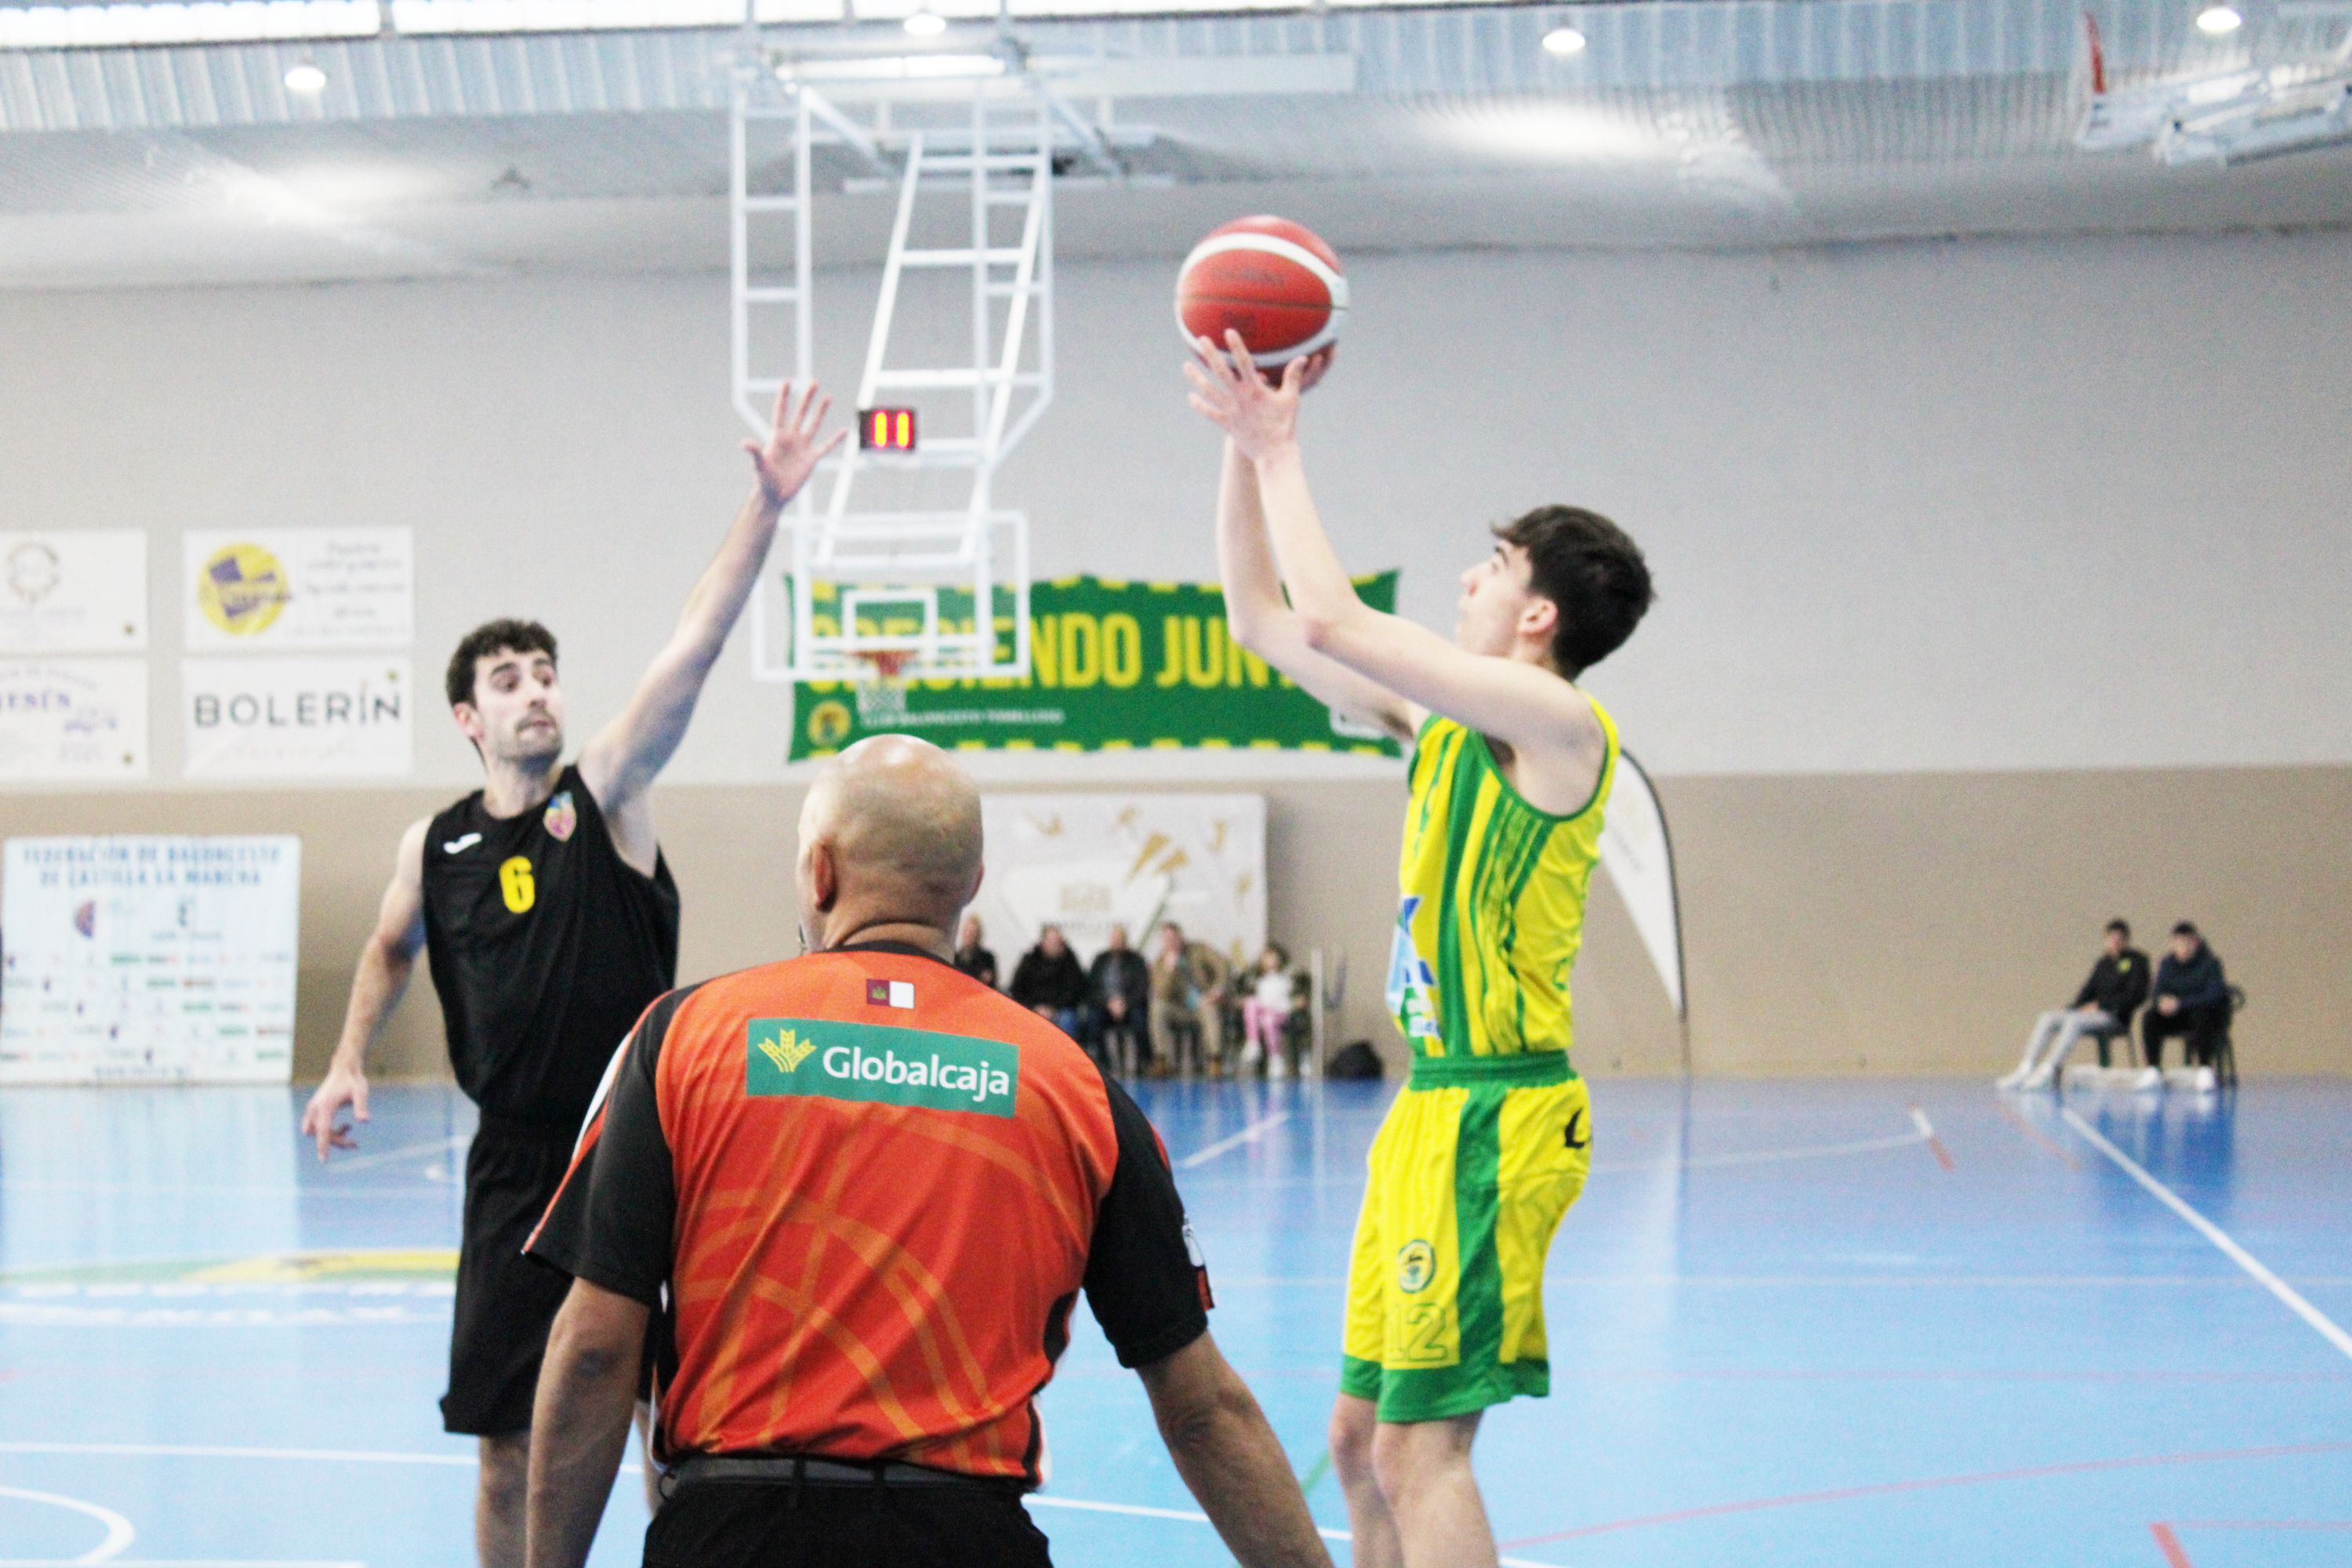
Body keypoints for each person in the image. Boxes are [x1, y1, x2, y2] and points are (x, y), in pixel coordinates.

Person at [518, 736, 1333, 1568]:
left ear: (821, 872)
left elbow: (591, 1349)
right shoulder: (1075, 1083)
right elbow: (1203, 1408)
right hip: (968, 1534)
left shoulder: (684, 1037)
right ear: (969, 885)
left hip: (732, 1530)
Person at [296, 380, 845, 1568]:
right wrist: (347, 1061)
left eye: (545, 670)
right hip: (509, 1167)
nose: (536, 688)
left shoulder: (610, 798)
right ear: (467, 716)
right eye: (508, 678)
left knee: (671, 1432)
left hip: (639, 1145)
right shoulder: (432, 845)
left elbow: (694, 646)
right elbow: (392, 949)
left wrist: (766, 504)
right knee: (505, 1446)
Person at [1187, 330, 1650, 1568]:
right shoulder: (1436, 723)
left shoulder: (1560, 725)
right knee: (1353, 1441)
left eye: (1493, 566)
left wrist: (1284, 443)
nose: (1467, 577)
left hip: (1501, 1119)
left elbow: (1334, 618)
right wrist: (1242, 456)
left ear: (1539, 612)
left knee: (1418, 1453)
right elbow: (1263, 620)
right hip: (1429, 1113)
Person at [1999, 919, 2150, 1089]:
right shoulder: (2103, 964)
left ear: (2126, 940)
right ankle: (2027, 1067)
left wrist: (2101, 1006)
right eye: (2111, 939)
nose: (2115, 943)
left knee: (2074, 1021)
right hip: (2092, 1013)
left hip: (2114, 1016)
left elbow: (2135, 995)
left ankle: (2050, 1070)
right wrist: (2073, 1008)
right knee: (2049, 1017)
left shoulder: (2137, 962)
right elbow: (2087, 991)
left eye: (2119, 939)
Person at [2143, 920, 2229, 1091]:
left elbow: (2214, 995)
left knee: (2202, 1015)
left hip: (2205, 1016)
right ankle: (2153, 1070)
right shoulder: (2167, 964)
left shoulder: (2210, 963)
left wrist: (2181, 1003)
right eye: (2178, 942)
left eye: (2187, 942)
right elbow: (2157, 991)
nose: (2183, 947)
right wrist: (2161, 1002)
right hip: (2176, 1018)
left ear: (2195, 942)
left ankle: (2205, 1069)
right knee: (2150, 1017)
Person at [1149, 921, 1231, 1078]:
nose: (1171, 942)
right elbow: (1161, 993)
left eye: (1173, 938)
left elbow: (1222, 965)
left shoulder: (1199, 950)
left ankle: (1215, 1060)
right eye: (1166, 940)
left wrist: (1216, 990)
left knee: (1209, 1008)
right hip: (1179, 1009)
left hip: (1203, 1003)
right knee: (1158, 1007)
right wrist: (1169, 971)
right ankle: (1161, 1060)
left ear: (1181, 937)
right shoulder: (1160, 962)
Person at [1087, 922, 1152, 1076]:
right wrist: (1108, 1003)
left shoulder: (1136, 960)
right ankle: (1104, 1064)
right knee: (1093, 1020)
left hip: (1130, 1005)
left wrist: (1125, 1004)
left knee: (1140, 1020)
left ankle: (1143, 1063)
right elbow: (1092, 988)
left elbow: (1142, 987)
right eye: (1114, 939)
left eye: (1120, 939)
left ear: (1126, 941)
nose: (1117, 942)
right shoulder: (1100, 960)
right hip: (1105, 1006)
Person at [1008, 924, 1088, 1036]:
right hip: (1032, 1008)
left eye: (1057, 942)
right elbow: (1017, 988)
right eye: (1051, 941)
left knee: (1067, 1020)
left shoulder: (1070, 961)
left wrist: (1053, 1009)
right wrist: (1035, 1008)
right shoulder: (1030, 960)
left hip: (1060, 1009)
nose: (1054, 945)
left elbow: (1075, 990)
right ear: (1043, 942)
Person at [1241, 944, 1299, 1080]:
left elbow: (1289, 999)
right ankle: (1253, 1042)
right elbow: (1259, 999)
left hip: (1280, 1012)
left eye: (1273, 958)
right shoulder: (1260, 980)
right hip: (1264, 1011)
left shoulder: (1286, 978)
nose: (1270, 961)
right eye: (1266, 958)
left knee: (1268, 1020)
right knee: (1251, 1003)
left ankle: (1275, 1057)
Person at [953, 913, 1000, 989]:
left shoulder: (987, 959)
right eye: (967, 931)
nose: (968, 935)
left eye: (972, 933)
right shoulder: (956, 957)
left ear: (978, 936)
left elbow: (992, 984)